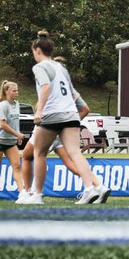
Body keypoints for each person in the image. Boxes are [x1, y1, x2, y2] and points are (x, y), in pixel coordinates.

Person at [30, 32, 109, 204]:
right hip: (71, 114)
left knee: (39, 152)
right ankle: (93, 188)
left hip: (52, 114)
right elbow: (73, 94)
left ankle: (37, 195)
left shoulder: (39, 67)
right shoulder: (61, 68)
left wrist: (39, 111)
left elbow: (45, 87)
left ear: (37, 50)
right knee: (75, 152)